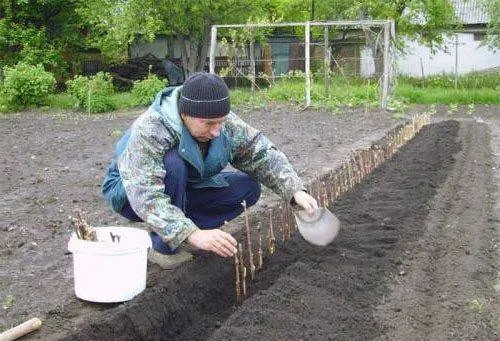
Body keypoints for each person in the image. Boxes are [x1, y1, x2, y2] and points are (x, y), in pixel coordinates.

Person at [102, 72, 317, 268]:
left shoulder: (222, 123)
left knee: (249, 188)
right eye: (208, 124)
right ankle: (164, 247)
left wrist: (295, 190)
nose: (216, 131)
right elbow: (145, 194)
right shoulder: (152, 128)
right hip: (129, 192)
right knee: (173, 163)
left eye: (221, 123)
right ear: (185, 114)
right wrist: (192, 234)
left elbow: (259, 152)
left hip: (185, 186)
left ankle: (183, 227)